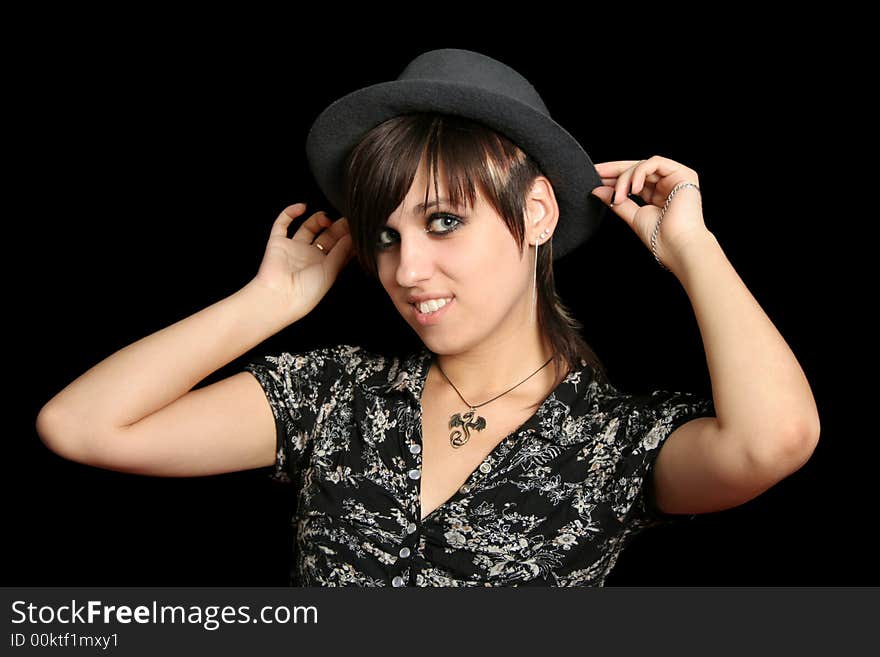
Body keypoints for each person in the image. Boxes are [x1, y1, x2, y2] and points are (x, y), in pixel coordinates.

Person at [35, 49, 820, 587]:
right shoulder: (336, 395)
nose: (406, 271)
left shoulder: (610, 443)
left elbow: (774, 438)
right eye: (386, 235)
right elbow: (83, 425)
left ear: (537, 211)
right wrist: (267, 302)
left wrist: (691, 248)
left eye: (444, 221)